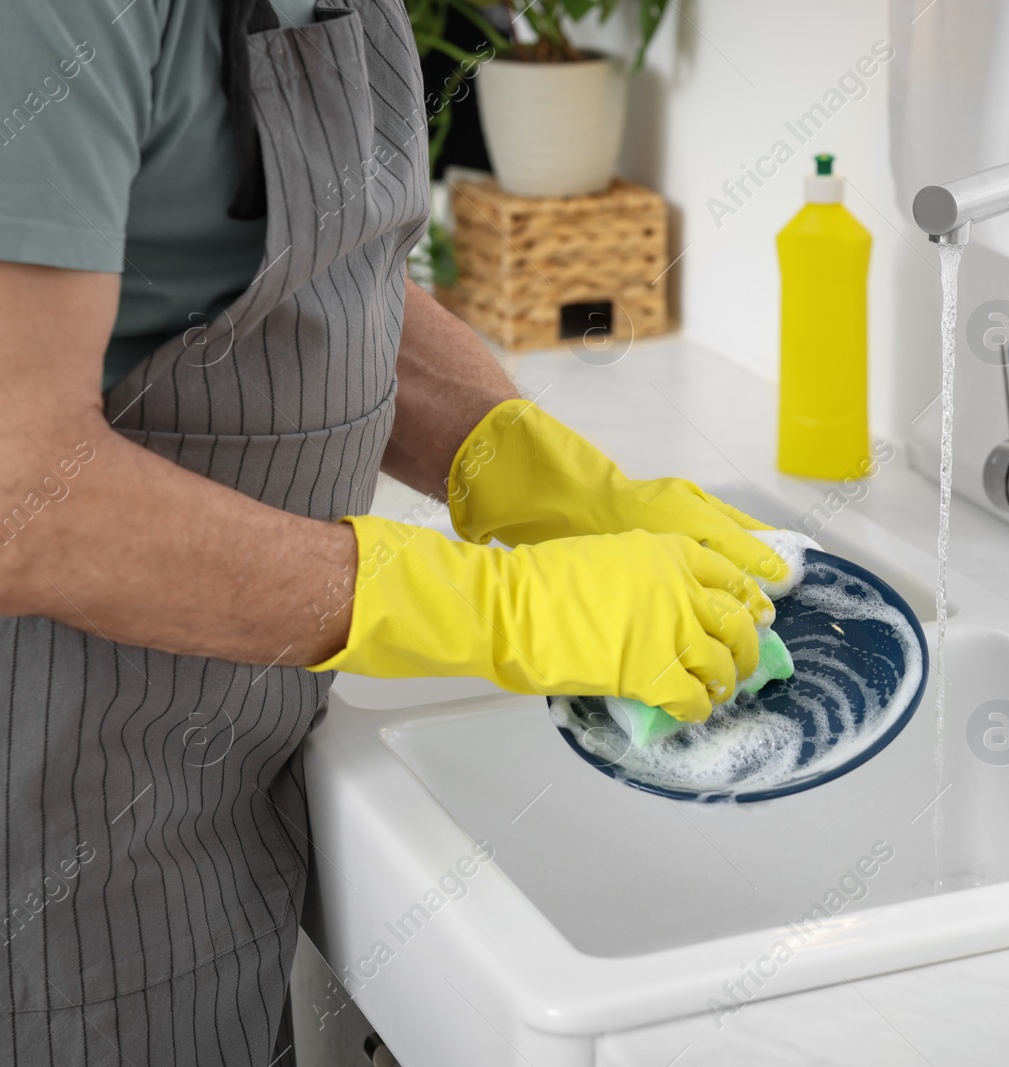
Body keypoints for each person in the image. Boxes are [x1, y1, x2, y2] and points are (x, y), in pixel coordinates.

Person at [0, 1, 782, 1062]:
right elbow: (20, 494)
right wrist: (484, 604)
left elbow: (324, 275)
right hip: (46, 818)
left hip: (209, 782)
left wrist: (537, 475)